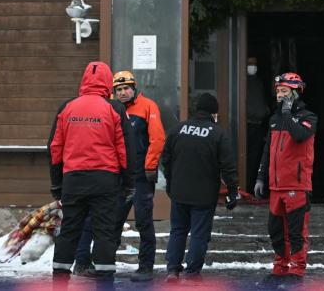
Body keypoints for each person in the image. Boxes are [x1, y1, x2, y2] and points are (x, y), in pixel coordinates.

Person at [74, 70, 166, 282]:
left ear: (134, 88)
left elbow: (158, 139)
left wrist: (150, 166)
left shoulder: (148, 106)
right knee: (112, 222)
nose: (123, 92)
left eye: (126, 88)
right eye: (118, 90)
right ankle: (106, 264)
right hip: (117, 176)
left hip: (142, 176)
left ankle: (145, 266)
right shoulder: (111, 109)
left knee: (143, 221)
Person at [48, 61, 135, 281]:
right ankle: (105, 284)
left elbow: (54, 148)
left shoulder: (67, 107)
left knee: (69, 231)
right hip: (104, 180)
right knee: (104, 232)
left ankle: (59, 281)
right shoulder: (114, 109)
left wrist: (57, 184)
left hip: (73, 179)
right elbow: (125, 149)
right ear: (108, 83)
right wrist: (128, 183)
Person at [161, 93, 238, 282]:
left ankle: (172, 270)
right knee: (199, 233)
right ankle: (192, 272)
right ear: (213, 114)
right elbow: (228, 166)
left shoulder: (177, 129)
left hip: (179, 192)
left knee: (178, 230)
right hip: (204, 195)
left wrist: (171, 183)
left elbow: (166, 160)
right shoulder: (217, 133)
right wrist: (233, 192)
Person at [254, 72, 318, 281]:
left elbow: (299, 135)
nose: (280, 95)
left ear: (296, 92)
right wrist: (261, 177)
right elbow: (267, 150)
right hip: (275, 186)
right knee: (275, 231)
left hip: (297, 185)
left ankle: (297, 268)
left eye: (284, 91)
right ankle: (280, 265)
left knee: (297, 231)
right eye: (278, 91)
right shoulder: (274, 119)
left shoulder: (308, 117)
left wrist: (288, 114)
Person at [246, 56, 270, 193]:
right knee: (246, 159)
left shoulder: (259, 83)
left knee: (256, 159)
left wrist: (265, 110)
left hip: (258, 125)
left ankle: (251, 188)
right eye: (249, 63)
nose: (252, 66)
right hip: (246, 126)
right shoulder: (242, 82)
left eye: (254, 64)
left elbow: (262, 103)